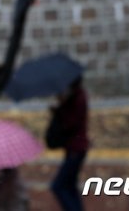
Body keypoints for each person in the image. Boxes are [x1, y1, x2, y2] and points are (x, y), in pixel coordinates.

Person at [48, 76, 89, 211]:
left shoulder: (77, 98)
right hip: (75, 148)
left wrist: (60, 109)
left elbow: (70, 124)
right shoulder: (76, 97)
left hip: (75, 149)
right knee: (69, 186)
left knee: (59, 186)